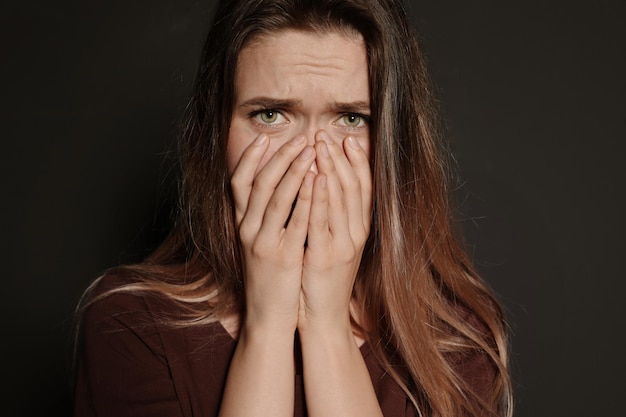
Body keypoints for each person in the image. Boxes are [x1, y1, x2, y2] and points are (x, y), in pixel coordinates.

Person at [73, 0, 513, 416]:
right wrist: (268, 324)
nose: (311, 159)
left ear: (393, 148)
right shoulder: (131, 327)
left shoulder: (456, 344)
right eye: (270, 114)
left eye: (352, 119)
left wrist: (327, 329)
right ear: (216, 136)